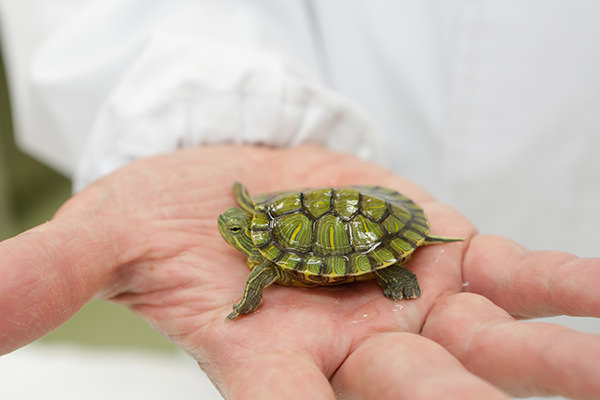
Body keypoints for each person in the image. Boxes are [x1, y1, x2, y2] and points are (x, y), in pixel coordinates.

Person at [1, 2, 599, 399]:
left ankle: (393, 273)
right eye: (237, 223)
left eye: (236, 224)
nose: (231, 226)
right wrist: (215, 125)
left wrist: (248, 298)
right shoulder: (263, 222)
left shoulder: (264, 251)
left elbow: (264, 236)